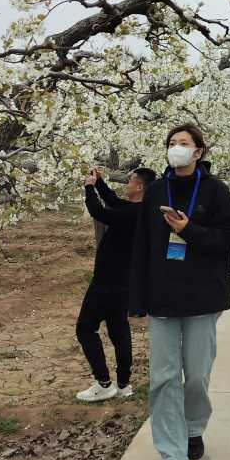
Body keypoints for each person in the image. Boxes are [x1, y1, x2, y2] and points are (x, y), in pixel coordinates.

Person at [128, 124, 230, 460]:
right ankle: (171, 450)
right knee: (163, 378)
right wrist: (137, 297)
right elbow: (142, 245)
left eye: (184, 143)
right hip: (163, 296)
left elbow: (227, 238)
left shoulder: (215, 191)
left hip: (202, 297)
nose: (177, 148)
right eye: (172, 143)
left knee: (196, 376)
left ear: (198, 152)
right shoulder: (157, 191)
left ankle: (193, 429)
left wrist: (188, 230)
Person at [75, 166, 156, 402]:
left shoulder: (133, 214)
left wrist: (89, 187)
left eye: (130, 180)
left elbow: (99, 211)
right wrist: (99, 182)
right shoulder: (138, 210)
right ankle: (123, 384)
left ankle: (103, 382)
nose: (126, 183)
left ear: (139, 186)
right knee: (119, 329)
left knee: (85, 328)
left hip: (107, 282)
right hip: (123, 282)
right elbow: (112, 201)